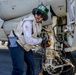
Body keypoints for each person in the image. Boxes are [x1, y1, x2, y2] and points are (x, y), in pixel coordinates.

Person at [8, 4, 49, 75]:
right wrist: (41, 40)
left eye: (42, 15)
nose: (39, 16)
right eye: (38, 13)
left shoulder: (38, 24)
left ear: (43, 18)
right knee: (18, 68)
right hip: (14, 40)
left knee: (31, 65)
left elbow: (34, 37)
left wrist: (41, 42)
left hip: (24, 43)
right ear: (35, 13)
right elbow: (29, 40)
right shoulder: (28, 22)